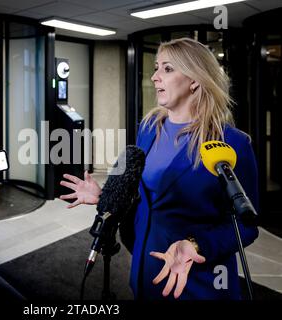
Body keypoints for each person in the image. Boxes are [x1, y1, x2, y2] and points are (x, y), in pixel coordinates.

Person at [60, 37, 259, 300]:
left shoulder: (233, 143)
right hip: (145, 271)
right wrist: (108, 198)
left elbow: (247, 227)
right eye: (156, 68)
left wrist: (196, 245)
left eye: (166, 69)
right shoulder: (149, 127)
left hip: (197, 282)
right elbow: (144, 198)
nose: (154, 77)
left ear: (194, 80)